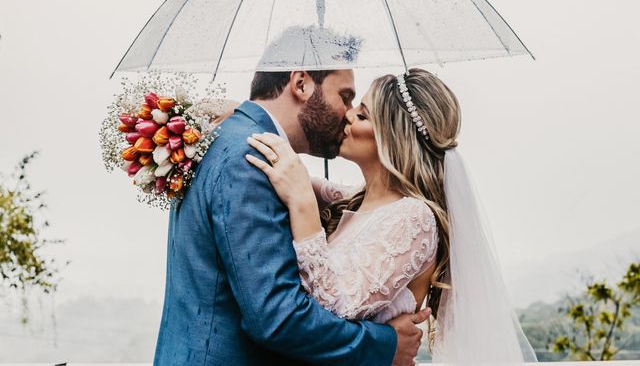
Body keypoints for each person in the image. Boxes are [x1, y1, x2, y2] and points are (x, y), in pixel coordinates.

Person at [246, 68, 538, 364]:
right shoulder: (356, 201)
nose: (346, 116)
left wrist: (303, 205)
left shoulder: (414, 217)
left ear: (392, 136)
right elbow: (301, 178)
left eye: (362, 116)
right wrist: (247, 115)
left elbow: (335, 305)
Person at [153, 67, 430, 366]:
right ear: (300, 84)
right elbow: (278, 317)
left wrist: (245, 114)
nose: (347, 114)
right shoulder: (248, 161)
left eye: (360, 112)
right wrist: (386, 344)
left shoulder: (234, 144)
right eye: (345, 97)